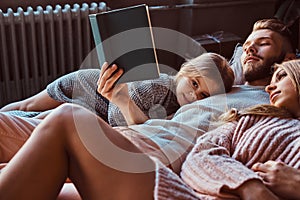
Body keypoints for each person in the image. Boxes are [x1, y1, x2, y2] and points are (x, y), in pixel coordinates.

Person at [0, 18, 296, 198]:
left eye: (265, 43)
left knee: (65, 120)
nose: (249, 49)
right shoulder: (226, 84)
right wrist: (122, 101)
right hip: (137, 134)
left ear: (289, 58)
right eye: (247, 43)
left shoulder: (276, 104)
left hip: (148, 150)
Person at [0, 52, 234, 126]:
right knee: (27, 106)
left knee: (37, 117)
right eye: (194, 84)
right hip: (84, 86)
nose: (194, 95)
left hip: (92, 107)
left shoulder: (182, 105)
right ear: (184, 71)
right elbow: (116, 117)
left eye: (203, 95)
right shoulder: (156, 86)